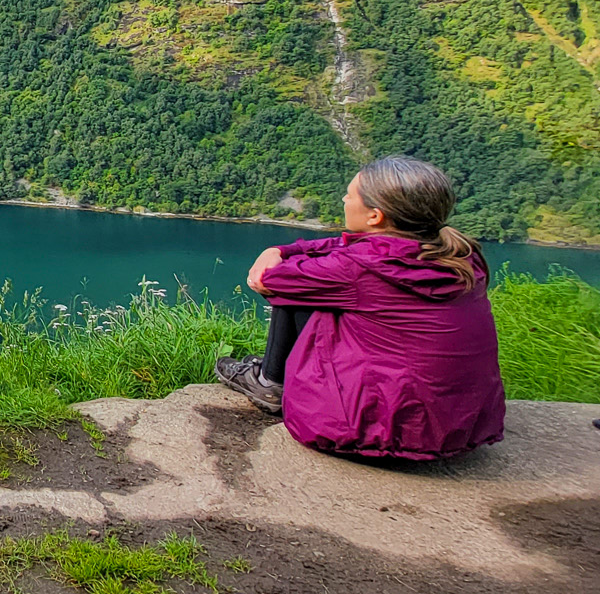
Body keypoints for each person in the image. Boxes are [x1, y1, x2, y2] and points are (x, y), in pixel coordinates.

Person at [214, 156, 505, 460]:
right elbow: (343, 248)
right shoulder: (462, 255)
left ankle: (270, 382)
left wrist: (274, 255)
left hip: (373, 434)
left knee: (303, 286)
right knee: (314, 280)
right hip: (460, 425)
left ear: (375, 217)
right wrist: (280, 248)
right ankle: (273, 380)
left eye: (350, 195)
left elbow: (268, 281)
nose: (344, 198)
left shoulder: (358, 270)